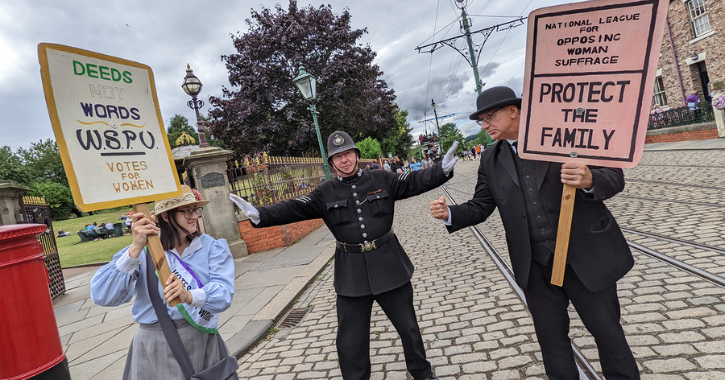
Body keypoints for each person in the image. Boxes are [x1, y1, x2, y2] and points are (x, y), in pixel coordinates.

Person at [429, 86, 639, 380]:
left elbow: (614, 177)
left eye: (489, 116)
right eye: (481, 120)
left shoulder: (565, 135)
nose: (484, 125)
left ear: (513, 111)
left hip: (584, 257)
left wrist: (591, 179)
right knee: (552, 342)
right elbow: (481, 206)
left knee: (608, 334)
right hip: (535, 266)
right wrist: (449, 213)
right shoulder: (490, 158)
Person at [230, 131, 459, 380]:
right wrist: (260, 215)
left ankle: (422, 372)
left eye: (348, 153)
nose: (344, 160)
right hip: (351, 275)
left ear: (356, 155)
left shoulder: (381, 178)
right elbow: (295, 207)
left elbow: (413, 181)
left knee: (409, 328)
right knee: (350, 341)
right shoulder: (324, 192)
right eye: (337, 157)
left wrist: (441, 171)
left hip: (389, 265)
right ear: (331, 163)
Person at [90, 185, 236, 379]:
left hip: (201, 337)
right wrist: (134, 249)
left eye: (196, 210)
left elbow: (224, 294)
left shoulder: (211, 247)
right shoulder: (144, 250)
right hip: (153, 344)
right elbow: (102, 295)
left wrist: (189, 295)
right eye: (187, 211)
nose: (194, 216)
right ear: (166, 216)